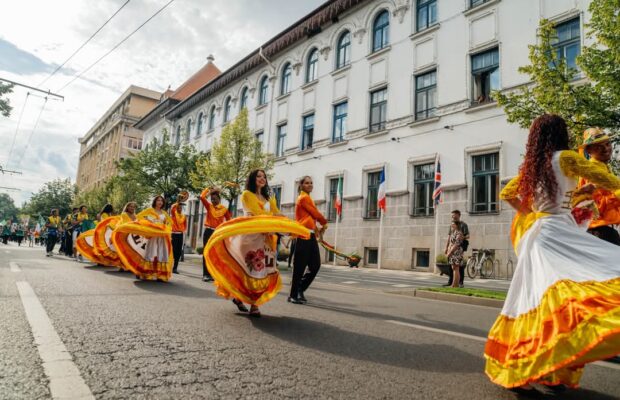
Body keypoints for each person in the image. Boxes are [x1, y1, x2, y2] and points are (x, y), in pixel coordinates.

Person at [484, 114, 620, 392]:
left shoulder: (534, 167)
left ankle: (529, 369)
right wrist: (596, 186)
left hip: (539, 234)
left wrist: (530, 214)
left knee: (534, 300)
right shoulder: (567, 158)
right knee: (570, 291)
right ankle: (549, 367)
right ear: (561, 133)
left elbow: (507, 193)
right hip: (559, 232)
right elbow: (603, 178)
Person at [203, 169, 310, 318]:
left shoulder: (268, 197)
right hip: (249, 239)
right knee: (250, 271)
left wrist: (292, 225)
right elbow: (258, 214)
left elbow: (276, 213)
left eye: (264, 177)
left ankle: (251, 302)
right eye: (259, 176)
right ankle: (246, 300)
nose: (262, 179)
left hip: (265, 239)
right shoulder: (247, 194)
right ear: (253, 179)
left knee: (263, 272)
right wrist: (276, 220)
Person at [289, 176, 328, 304]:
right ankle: (293, 295)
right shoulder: (303, 198)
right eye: (307, 183)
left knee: (315, 265)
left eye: (311, 183)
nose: (310, 185)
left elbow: (310, 218)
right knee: (299, 267)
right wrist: (324, 222)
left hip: (310, 235)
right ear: (301, 185)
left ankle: (300, 288)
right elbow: (315, 213)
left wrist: (317, 230)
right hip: (302, 235)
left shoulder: (308, 198)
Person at [578, 127, 620, 245]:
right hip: (599, 232)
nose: (605, 149)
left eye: (607, 144)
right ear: (589, 150)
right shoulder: (593, 171)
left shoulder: (602, 167)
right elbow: (595, 207)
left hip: (603, 231)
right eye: (598, 146)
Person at [199, 186, 232, 282]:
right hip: (208, 231)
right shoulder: (209, 206)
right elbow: (202, 197)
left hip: (217, 233)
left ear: (219, 199)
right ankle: (205, 274)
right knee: (206, 252)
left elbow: (229, 221)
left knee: (216, 254)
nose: (213, 200)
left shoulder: (224, 209)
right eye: (211, 199)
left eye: (215, 199)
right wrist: (208, 190)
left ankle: (213, 274)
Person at [443, 210, 469, 287]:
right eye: (452, 215)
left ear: (459, 215)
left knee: (458, 266)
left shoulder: (463, 225)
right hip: (452, 247)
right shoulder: (451, 225)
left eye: (454, 215)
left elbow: (468, 236)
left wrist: (461, 237)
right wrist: (446, 247)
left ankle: (460, 282)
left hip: (458, 247)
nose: (453, 217)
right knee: (451, 266)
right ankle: (451, 281)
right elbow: (449, 237)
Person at [170, 195, 188, 274]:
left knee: (178, 252)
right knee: (172, 251)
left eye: (180, 207)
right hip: (173, 234)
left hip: (180, 235)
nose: (179, 209)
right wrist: (178, 201)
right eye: (178, 207)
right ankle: (169, 266)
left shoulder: (184, 216)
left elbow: (185, 226)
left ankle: (175, 268)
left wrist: (182, 231)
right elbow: (172, 208)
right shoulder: (174, 215)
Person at [445, 222, 464, 288]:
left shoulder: (459, 233)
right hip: (453, 252)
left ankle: (455, 285)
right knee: (454, 267)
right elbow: (451, 242)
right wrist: (448, 250)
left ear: (457, 225)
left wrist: (450, 252)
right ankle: (454, 284)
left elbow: (456, 244)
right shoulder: (453, 232)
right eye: (451, 224)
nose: (451, 225)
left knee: (456, 268)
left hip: (456, 252)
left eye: (453, 224)